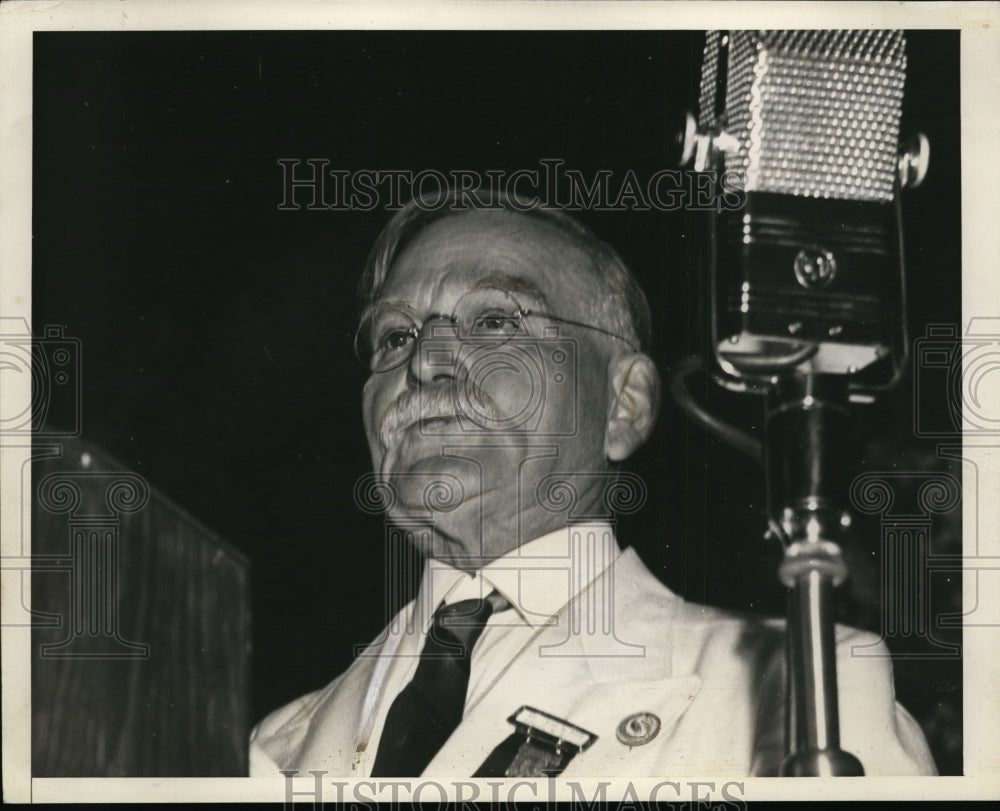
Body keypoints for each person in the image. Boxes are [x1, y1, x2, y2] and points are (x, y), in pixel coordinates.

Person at [248, 190, 936, 778]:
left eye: (494, 321)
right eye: (394, 337)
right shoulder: (269, 745)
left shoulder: (801, 690)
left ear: (623, 404)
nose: (424, 362)